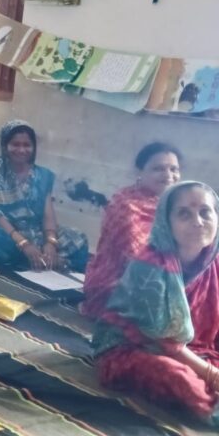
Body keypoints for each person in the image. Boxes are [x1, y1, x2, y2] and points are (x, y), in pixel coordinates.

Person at [93, 181, 219, 424]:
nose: (198, 221)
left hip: (196, 347)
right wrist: (212, 374)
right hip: (134, 346)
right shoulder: (150, 265)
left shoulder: (213, 261)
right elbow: (165, 342)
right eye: (184, 214)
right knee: (177, 378)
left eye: (206, 212)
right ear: (166, 222)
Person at [0, 120, 89, 271]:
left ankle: (42, 260)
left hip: (32, 231)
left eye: (27, 145)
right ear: (5, 146)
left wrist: (50, 243)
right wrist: (24, 244)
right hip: (4, 232)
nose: (21, 150)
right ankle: (32, 260)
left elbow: (48, 215)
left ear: (34, 147)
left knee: (78, 237)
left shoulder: (42, 175)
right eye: (15, 144)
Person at [83, 142, 182, 319]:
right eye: (158, 169)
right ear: (139, 172)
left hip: (163, 278)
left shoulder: (172, 204)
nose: (168, 175)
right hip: (118, 288)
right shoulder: (126, 205)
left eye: (174, 169)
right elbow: (137, 262)